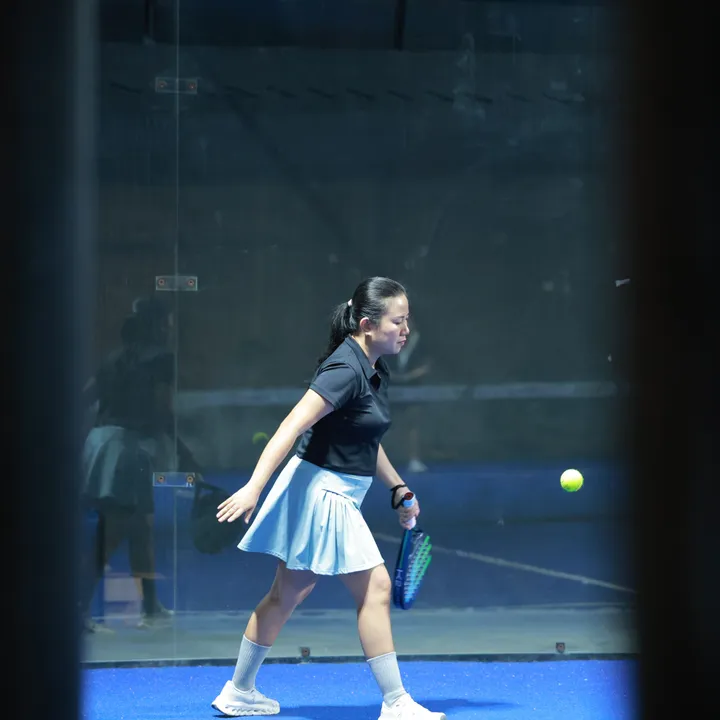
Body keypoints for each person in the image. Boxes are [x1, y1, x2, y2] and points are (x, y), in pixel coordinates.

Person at [212, 277, 446, 720]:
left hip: (327, 489)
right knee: (376, 587)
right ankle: (396, 702)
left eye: (407, 320)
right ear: (367, 325)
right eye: (397, 321)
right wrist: (254, 487)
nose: (405, 329)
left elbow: (364, 437)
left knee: (287, 593)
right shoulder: (344, 369)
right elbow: (291, 426)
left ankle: (238, 691)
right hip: (323, 492)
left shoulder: (374, 367)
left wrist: (398, 488)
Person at [80, 296, 199, 630]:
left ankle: (150, 606)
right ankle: (76, 610)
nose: (171, 329)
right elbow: (163, 409)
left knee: (140, 526)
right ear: (159, 325)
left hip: (106, 445)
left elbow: (86, 396)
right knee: (111, 532)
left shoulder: (115, 358)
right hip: (125, 452)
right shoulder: (160, 359)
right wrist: (183, 450)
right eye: (168, 323)